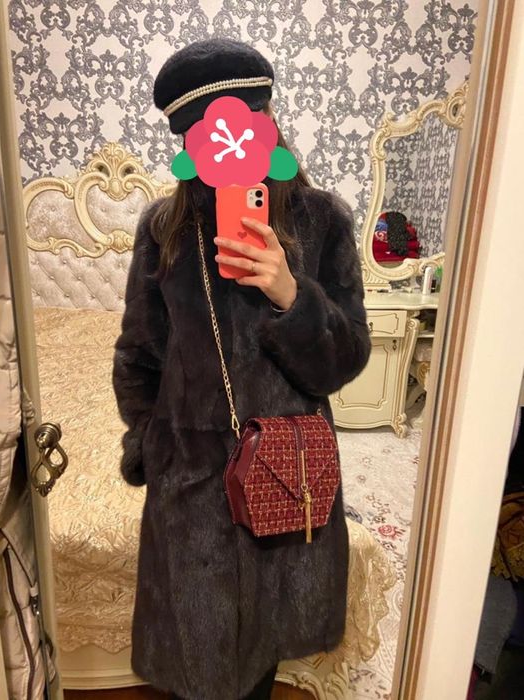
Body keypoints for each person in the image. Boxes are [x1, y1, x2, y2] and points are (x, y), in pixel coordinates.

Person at [112, 37, 371, 700]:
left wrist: (291, 294)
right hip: (191, 479)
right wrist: (150, 445)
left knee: (260, 659)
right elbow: (139, 354)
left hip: (286, 468)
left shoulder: (321, 223)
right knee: (195, 657)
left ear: (266, 122)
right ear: (187, 143)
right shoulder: (164, 229)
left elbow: (344, 360)